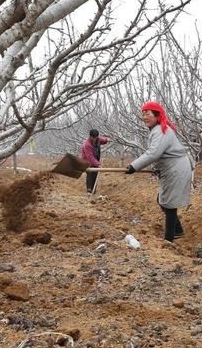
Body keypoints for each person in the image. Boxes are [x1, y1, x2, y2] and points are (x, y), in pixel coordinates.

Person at [126, 101, 192, 242]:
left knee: (169, 204)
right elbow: (161, 154)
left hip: (176, 168)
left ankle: (169, 239)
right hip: (171, 168)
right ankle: (177, 230)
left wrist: (134, 166)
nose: (144, 117)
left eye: (147, 114)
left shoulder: (162, 130)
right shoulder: (158, 129)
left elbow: (153, 153)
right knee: (163, 200)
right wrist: (155, 168)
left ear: (157, 115)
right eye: (143, 114)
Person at [81, 129, 110, 193]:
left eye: (96, 137)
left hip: (95, 158)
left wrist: (106, 140)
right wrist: (98, 164)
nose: (95, 139)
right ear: (90, 136)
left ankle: (94, 190)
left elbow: (101, 140)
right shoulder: (87, 144)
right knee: (90, 173)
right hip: (87, 160)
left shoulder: (97, 139)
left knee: (95, 174)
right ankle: (89, 189)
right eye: (94, 138)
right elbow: (90, 157)